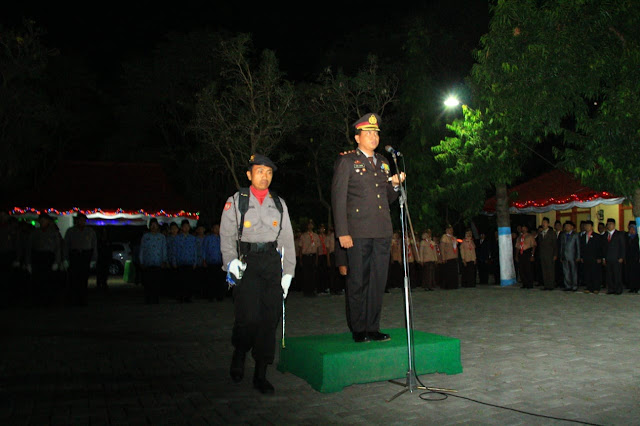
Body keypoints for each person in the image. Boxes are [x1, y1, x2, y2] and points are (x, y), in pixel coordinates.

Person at [220, 154, 296, 394]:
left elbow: (287, 240)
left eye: (269, 172)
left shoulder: (279, 203)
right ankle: (240, 351)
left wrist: (288, 272)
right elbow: (226, 235)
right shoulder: (237, 201)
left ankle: (261, 373)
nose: (265, 176)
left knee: (269, 319)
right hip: (247, 261)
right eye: (260, 171)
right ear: (249, 174)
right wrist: (230, 261)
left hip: (271, 262)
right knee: (249, 316)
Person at [331, 112, 404, 343]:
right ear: (357, 137)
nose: (373, 137)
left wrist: (395, 185)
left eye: (376, 133)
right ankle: (359, 328)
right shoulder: (347, 162)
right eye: (368, 133)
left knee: (377, 282)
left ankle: (373, 327)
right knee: (358, 281)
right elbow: (338, 199)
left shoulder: (383, 162)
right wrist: (343, 232)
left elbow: (387, 198)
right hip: (358, 232)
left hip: (382, 231)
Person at [26, 213, 63, 306]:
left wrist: (57, 261)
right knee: (38, 280)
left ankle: (49, 300)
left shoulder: (53, 233)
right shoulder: (35, 233)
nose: (43, 222)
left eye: (44, 220)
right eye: (41, 220)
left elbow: (57, 248)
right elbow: (29, 248)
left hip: (49, 257)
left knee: (49, 280)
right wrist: (28, 262)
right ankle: (39, 300)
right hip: (38, 257)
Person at [64, 213, 97, 306]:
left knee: (84, 279)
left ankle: (83, 300)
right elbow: (66, 245)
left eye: (83, 220)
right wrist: (65, 258)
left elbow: (94, 245)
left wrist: (93, 259)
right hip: (74, 256)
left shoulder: (90, 231)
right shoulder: (71, 231)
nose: (82, 222)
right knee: (74, 279)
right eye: (80, 220)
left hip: (85, 256)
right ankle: (74, 299)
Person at [139, 218, 167, 304]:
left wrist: (164, 260)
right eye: (152, 225)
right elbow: (142, 249)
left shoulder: (161, 237)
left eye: (155, 225)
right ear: (149, 226)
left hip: (158, 262)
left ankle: (156, 298)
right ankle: (148, 298)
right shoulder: (145, 237)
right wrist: (141, 261)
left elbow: (164, 249)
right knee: (148, 282)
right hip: (148, 262)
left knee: (157, 282)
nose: (154, 227)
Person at [171, 219, 198, 302]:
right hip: (180, 261)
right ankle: (180, 296)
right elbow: (174, 250)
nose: (186, 228)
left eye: (187, 226)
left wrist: (195, 261)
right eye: (184, 227)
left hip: (189, 261)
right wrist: (174, 261)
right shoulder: (177, 238)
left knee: (189, 280)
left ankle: (188, 297)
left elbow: (195, 250)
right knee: (180, 280)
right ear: (181, 228)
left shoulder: (192, 238)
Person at [578, 220, 603, 294]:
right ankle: (589, 287)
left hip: (595, 258)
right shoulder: (583, 236)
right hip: (586, 258)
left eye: (588, 226)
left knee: (595, 273)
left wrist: (599, 257)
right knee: (587, 273)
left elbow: (600, 247)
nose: (586, 227)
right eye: (586, 226)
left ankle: (596, 287)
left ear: (592, 227)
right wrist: (581, 257)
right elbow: (581, 247)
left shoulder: (597, 236)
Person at [602, 218, 625, 295]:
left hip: (616, 258)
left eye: (610, 224)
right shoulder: (605, 235)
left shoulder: (619, 234)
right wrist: (604, 258)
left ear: (614, 225)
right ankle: (611, 289)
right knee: (609, 274)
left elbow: (622, 246)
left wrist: (621, 257)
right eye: (608, 224)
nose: (609, 226)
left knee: (617, 274)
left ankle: (618, 289)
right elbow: (603, 248)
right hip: (608, 258)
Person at [202, 224, 224, 301]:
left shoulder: (222, 238)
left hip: (220, 261)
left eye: (218, 228)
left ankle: (219, 295)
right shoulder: (208, 238)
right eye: (215, 228)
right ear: (212, 229)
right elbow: (204, 249)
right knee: (211, 280)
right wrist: (204, 259)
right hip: (210, 261)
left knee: (219, 280)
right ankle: (211, 296)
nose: (217, 229)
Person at [298, 219, 320, 297]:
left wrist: (317, 258)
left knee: (313, 274)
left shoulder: (316, 236)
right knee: (306, 274)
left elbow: (317, 248)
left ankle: (312, 290)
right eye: (309, 224)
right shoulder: (303, 236)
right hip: (306, 256)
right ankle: (306, 291)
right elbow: (300, 248)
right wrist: (300, 259)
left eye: (311, 224)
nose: (310, 226)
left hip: (313, 255)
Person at [537, 217, 558, 291]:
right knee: (544, 270)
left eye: (545, 222)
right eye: (543, 222)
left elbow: (555, 245)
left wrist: (555, 254)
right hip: (543, 254)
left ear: (548, 224)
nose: (543, 224)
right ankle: (546, 285)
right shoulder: (541, 233)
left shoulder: (552, 233)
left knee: (550, 270)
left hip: (550, 254)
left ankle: (551, 285)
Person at [559, 220, 580, 291]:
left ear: (572, 227)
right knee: (566, 272)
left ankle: (574, 286)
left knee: (573, 272)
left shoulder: (575, 235)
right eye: (565, 226)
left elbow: (578, 246)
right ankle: (568, 285)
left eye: (568, 226)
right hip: (564, 256)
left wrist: (578, 256)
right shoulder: (563, 235)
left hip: (572, 256)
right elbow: (562, 246)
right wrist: (561, 255)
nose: (566, 227)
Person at [516, 224, 536, 289]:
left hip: (527, 252)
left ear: (527, 229)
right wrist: (516, 255)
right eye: (522, 228)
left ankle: (530, 284)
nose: (523, 230)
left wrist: (532, 255)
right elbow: (517, 247)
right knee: (521, 269)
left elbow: (533, 246)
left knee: (528, 269)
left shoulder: (530, 236)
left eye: (524, 228)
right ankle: (524, 283)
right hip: (521, 253)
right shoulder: (519, 237)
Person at [439, 225, 459, 289]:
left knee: (454, 272)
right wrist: (443, 257)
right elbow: (442, 248)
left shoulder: (453, 238)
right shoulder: (444, 238)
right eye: (450, 230)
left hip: (454, 257)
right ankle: (447, 285)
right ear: (447, 230)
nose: (451, 231)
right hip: (447, 257)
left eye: (452, 230)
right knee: (448, 272)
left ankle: (454, 285)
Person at [625, 221, 639, 293]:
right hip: (629, 258)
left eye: (633, 229)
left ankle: (637, 287)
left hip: (636, 259)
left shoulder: (638, 238)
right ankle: (632, 287)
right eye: (630, 229)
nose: (631, 231)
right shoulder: (628, 238)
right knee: (630, 273)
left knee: (636, 273)